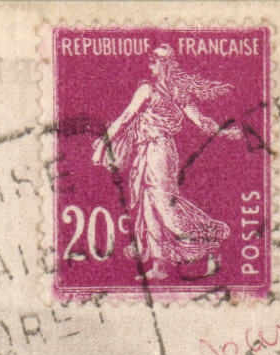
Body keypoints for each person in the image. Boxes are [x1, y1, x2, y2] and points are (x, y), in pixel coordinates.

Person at [91, 44, 243, 279]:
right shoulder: (159, 90)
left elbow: (125, 119)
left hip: (158, 151)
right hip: (148, 151)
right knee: (147, 206)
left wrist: (102, 145)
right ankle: (159, 267)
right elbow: (126, 120)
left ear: (164, 64)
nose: (149, 63)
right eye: (150, 58)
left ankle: (208, 235)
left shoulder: (154, 91)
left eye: (154, 59)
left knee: (163, 205)